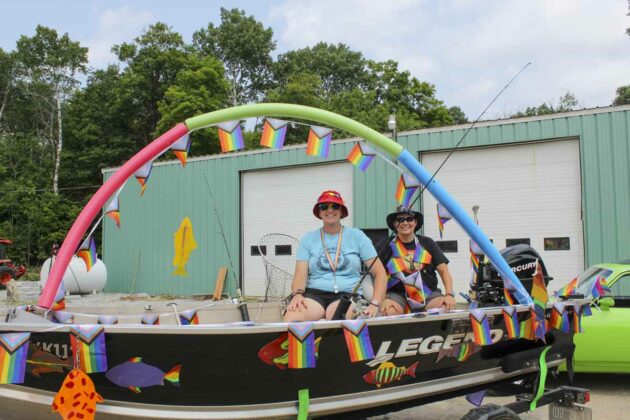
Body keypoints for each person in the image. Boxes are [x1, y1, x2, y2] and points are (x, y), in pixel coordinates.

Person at [284, 190, 388, 321]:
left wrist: (375, 304)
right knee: (290, 320)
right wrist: (297, 294)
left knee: (342, 319)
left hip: (347, 294)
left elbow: (379, 273)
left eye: (335, 206)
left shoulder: (357, 236)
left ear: (342, 211)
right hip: (315, 294)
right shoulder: (308, 238)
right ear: (319, 212)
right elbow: (300, 274)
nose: (330, 210)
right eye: (324, 206)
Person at [380, 206, 456, 315]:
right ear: (394, 224)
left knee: (445, 307)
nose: (405, 222)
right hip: (396, 295)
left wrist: (449, 294)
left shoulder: (428, 243)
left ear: (415, 222)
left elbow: (444, 271)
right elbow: (376, 275)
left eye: (409, 219)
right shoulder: (384, 246)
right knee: (387, 312)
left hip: (427, 293)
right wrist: (383, 299)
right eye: (400, 220)